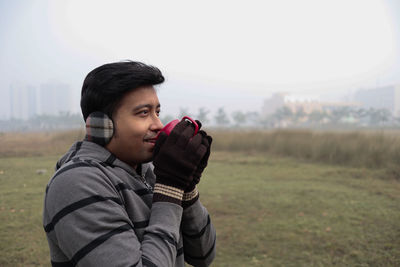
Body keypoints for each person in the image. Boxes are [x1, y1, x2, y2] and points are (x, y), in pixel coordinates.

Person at [42, 61, 216, 267]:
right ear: (100, 125)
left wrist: (187, 188)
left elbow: (203, 255)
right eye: (143, 113)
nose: (158, 125)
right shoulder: (76, 183)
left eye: (157, 112)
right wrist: (170, 187)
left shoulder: (151, 170)